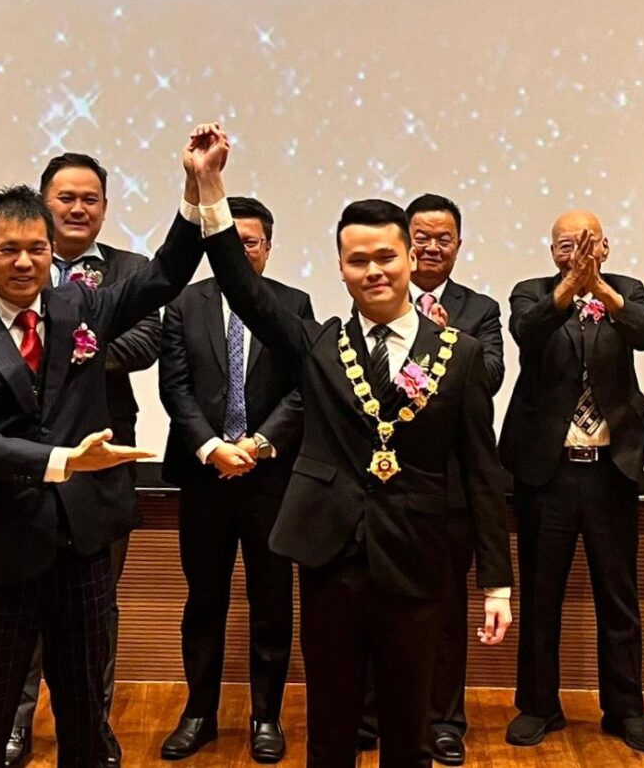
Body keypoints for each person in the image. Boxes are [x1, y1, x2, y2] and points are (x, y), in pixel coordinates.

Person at [204, 152, 513, 768]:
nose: (374, 271)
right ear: (341, 269)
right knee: (330, 727)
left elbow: (483, 471)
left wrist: (497, 583)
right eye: (357, 260)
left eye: (386, 257)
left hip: (418, 556)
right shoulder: (318, 344)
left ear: (410, 259)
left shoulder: (461, 354)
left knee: (410, 730)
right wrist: (211, 192)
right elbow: (244, 289)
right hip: (330, 555)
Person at [0, 129, 221, 768]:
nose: (25, 262)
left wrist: (197, 186)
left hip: (83, 544)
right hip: (4, 549)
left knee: (86, 721)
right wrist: (65, 463)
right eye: (10, 250)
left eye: (37, 248)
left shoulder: (79, 306)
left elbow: (163, 276)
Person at [0, 153, 166, 768]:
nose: (78, 208)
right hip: (18, 472)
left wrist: (72, 349)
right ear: (44, 205)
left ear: (104, 207)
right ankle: (16, 724)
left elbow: (147, 340)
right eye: (66, 198)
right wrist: (67, 351)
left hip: (102, 457)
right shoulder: (8, 266)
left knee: (93, 609)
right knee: (17, 609)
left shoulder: (127, 271)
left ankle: (92, 728)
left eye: (90, 199)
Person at [499, 210, 644, 754]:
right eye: (565, 244)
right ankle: (538, 706)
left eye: (587, 243)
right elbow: (527, 332)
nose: (576, 252)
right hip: (547, 472)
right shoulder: (531, 292)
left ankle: (625, 708)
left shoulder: (626, 291)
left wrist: (601, 289)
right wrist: (572, 285)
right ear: (552, 252)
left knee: (618, 597)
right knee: (541, 595)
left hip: (610, 471)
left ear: (607, 247)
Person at [155, 196, 314, 764]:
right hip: (204, 477)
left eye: (251, 242)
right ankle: (199, 713)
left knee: (271, 601)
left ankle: (266, 716)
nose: (241, 251)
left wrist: (259, 443)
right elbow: (174, 387)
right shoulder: (183, 302)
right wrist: (212, 447)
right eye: (231, 241)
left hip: (270, 478)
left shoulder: (294, 304)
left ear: (267, 247)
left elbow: (305, 386)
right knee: (204, 600)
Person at [402, 193, 506, 766]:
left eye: (443, 238)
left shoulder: (479, 309)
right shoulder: (379, 302)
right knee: (380, 604)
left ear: (459, 245)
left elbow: (488, 377)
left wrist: (445, 344)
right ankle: (374, 714)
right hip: (388, 483)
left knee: (445, 612)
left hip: (452, 486)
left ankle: (444, 720)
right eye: (421, 236)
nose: (431, 247)